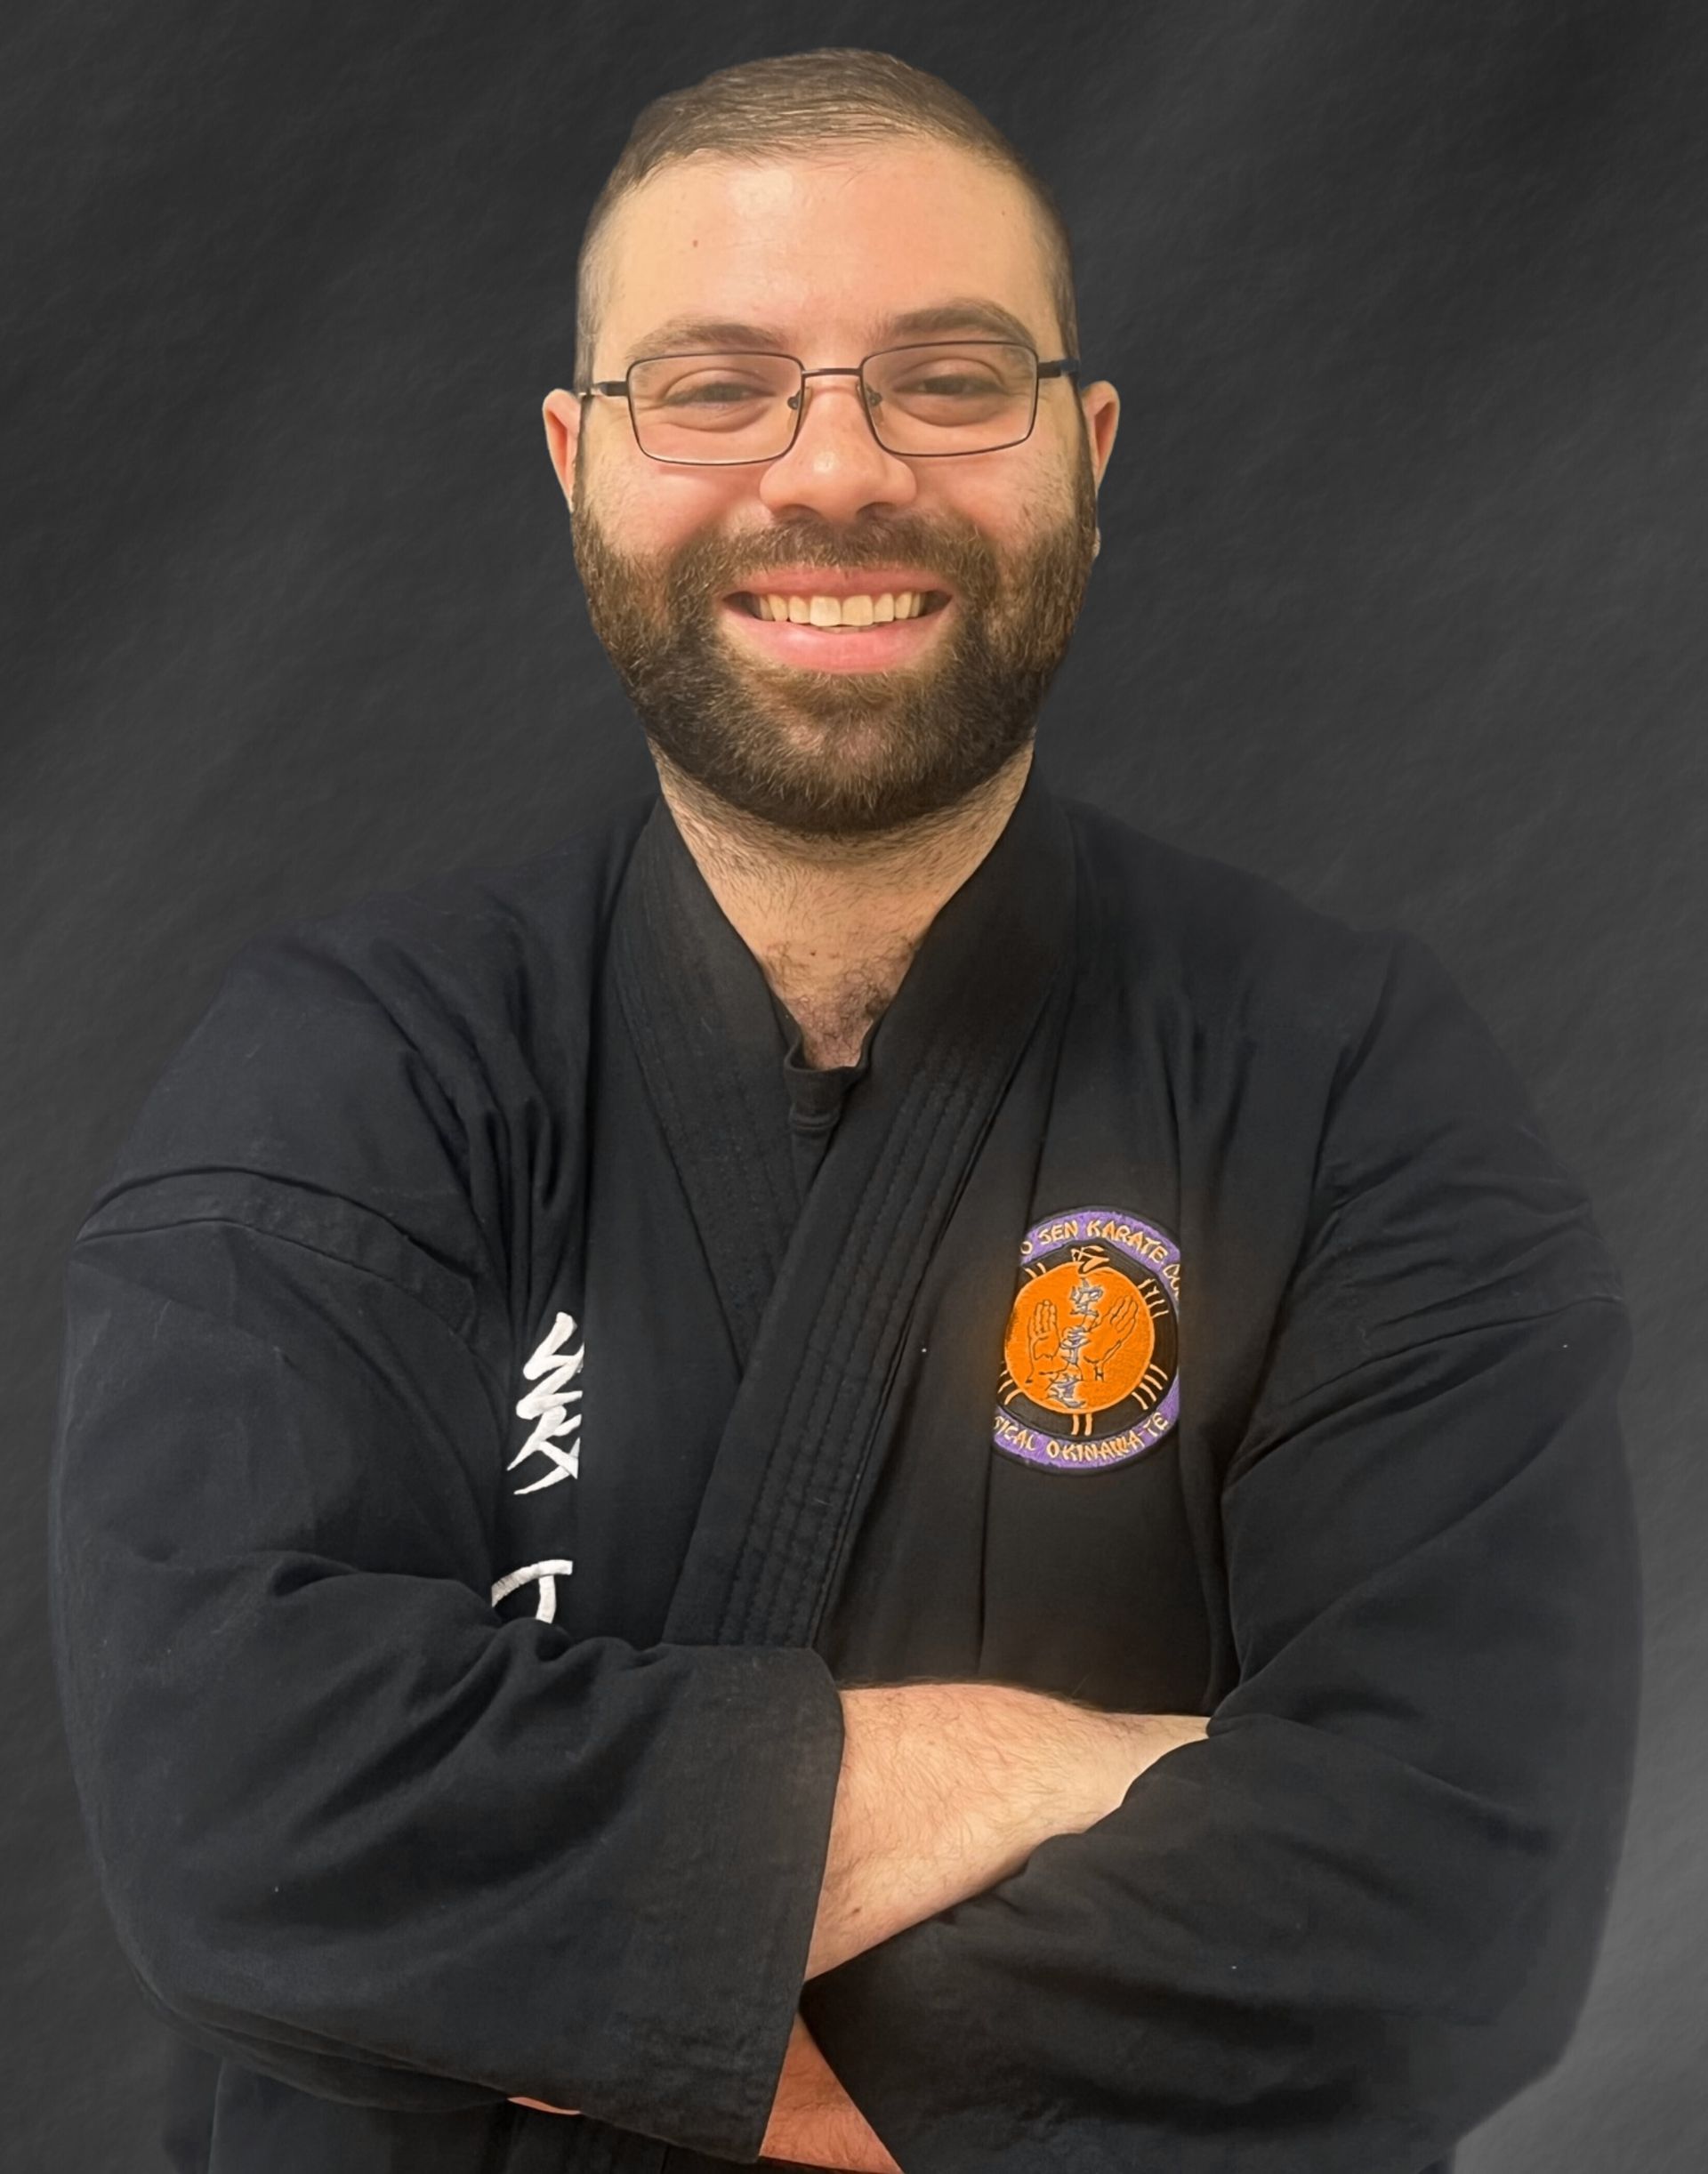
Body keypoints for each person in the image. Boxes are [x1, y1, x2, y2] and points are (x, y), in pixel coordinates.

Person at [48, 46, 1641, 2174]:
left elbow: (1469, 1878)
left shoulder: (1346, 1083)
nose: (834, 472)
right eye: (713, 384)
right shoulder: (352, 1069)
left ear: (1084, 449)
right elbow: (234, 1805)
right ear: (576, 463)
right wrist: (1009, 1771)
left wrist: (549, 1987)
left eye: (949, 379)